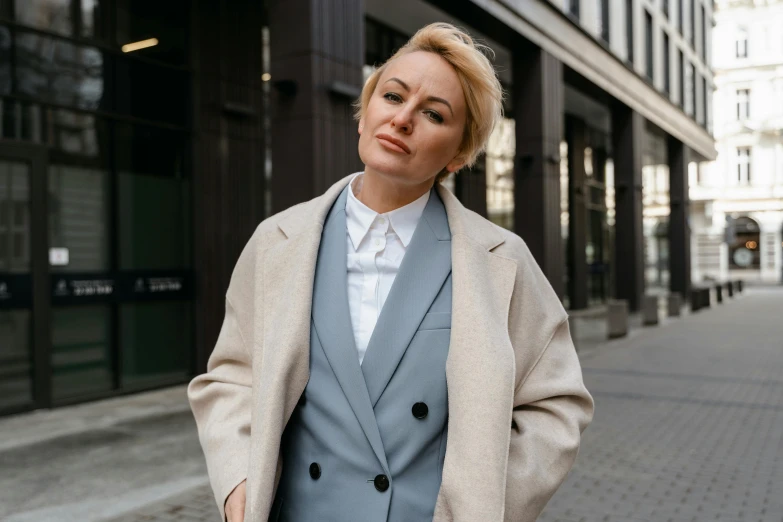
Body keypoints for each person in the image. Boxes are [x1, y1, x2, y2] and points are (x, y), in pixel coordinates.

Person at [188, 22, 594, 522]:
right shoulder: (277, 242)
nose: (402, 119)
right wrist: (238, 485)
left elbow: (555, 405)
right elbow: (231, 379)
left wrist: (484, 504)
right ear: (364, 113)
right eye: (392, 95)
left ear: (459, 154)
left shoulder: (501, 261)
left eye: (433, 113)